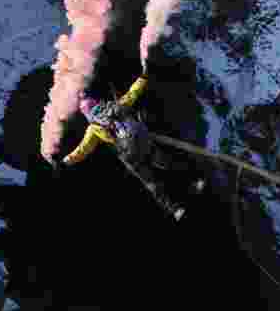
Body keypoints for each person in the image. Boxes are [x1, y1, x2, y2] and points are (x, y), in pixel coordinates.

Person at [57, 74, 205, 222]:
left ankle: (175, 210)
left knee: (151, 183)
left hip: (129, 154)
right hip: (143, 142)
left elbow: (83, 148)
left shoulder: (93, 128)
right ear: (97, 103)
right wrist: (142, 78)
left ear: (86, 115)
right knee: (168, 164)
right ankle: (194, 182)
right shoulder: (116, 106)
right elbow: (132, 94)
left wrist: (67, 160)